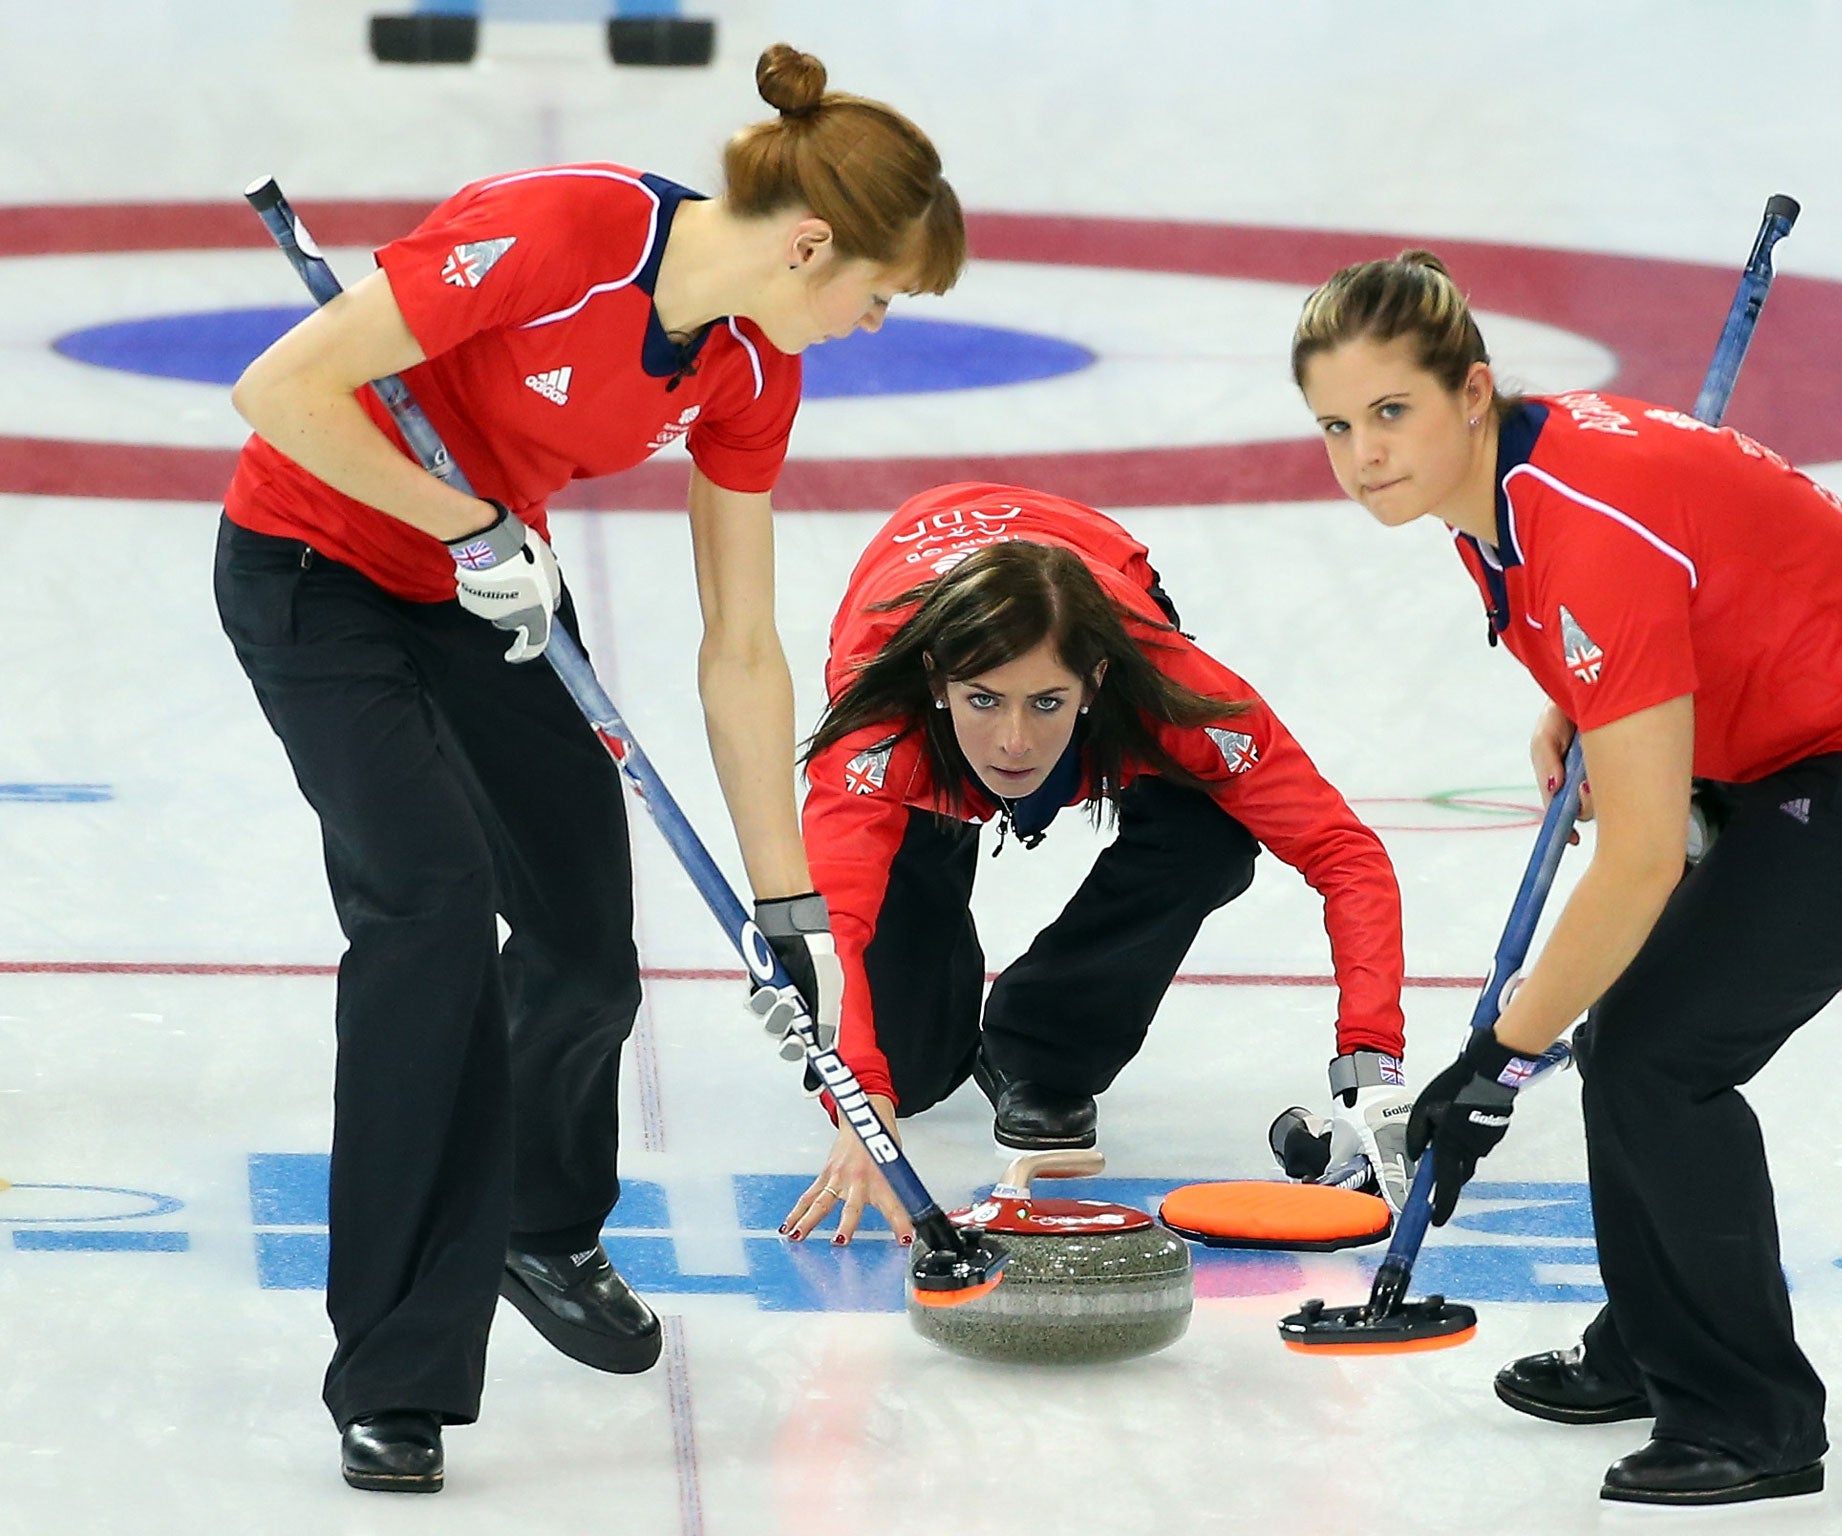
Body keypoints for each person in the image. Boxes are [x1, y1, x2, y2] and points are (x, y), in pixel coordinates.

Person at [213, 44, 962, 1493]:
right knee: (427, 920)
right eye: (877, 297)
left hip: (477, 591)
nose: (871, 326)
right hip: (317, 572)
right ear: (812, 243)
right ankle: (395, 1368)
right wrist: (462, 522)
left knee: (581, 948)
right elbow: (281, 392)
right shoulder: (565, 231)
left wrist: (787, 910)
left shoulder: (746, 364)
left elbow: (740, 647)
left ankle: (536, 1224)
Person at [1292, 251, 1842, 1506]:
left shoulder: (1582, 520)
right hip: (1784, 723)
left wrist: (1493, 1065)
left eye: (1389, 412)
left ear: (1470, 391)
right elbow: (1659, 610)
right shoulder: (1499, 492)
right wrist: (1597, 702)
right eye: (1334, 426)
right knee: (1637, 1037)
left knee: (1657, 1058)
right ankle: (1652, 1341)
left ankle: (1749, 1417)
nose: (1362, 453)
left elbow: (1631, 863)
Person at [776, 481, 1410, 1246]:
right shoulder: (876, 733)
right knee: (904, 1072)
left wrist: (1372, 1066)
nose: (1014, 741)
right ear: (940, 679)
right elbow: (832, 928)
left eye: (1047, 702)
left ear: (1096, 681)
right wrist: (861, 1099)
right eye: (984, 700)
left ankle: (1041, 1051)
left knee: (1210, 832)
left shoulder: (1165, 684)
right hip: (919, 703)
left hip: (1101, 571)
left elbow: (1344, 853)